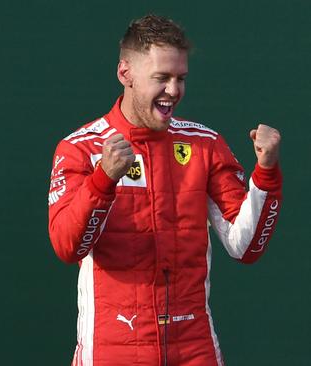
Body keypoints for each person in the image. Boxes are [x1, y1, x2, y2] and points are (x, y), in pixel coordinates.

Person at [47, 15, 282, 366]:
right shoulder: (81, 148)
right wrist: (103, 180)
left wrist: (266, 174)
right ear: (125, 73)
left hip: (194, 350)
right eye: (162, 78)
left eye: (180, 78)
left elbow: (245, 246)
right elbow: (68, 247)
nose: (174, 90)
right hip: (112, 352)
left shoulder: (205, 144)